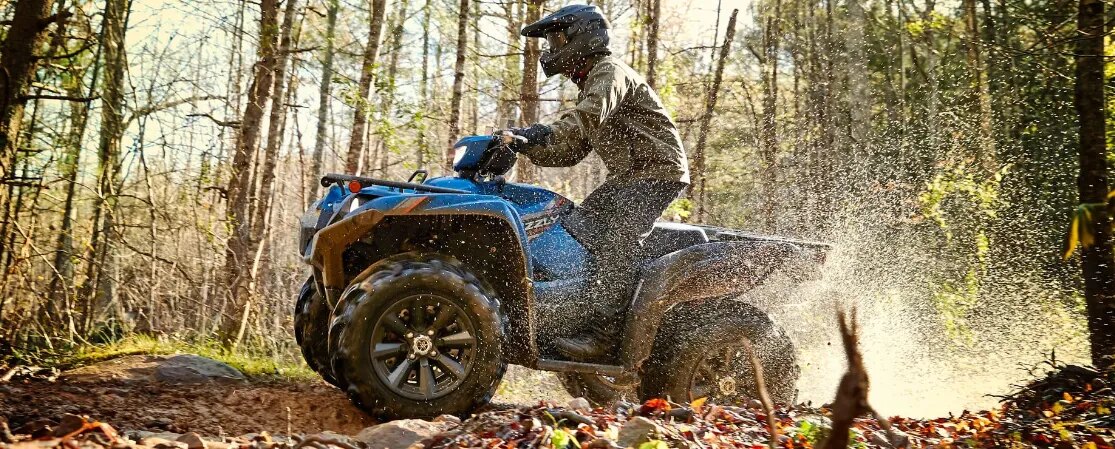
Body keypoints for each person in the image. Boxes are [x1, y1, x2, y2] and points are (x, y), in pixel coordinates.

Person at [501, 4, 690, 362]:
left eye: (558, 38)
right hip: (629, 177)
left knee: (620, 238)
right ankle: (578, 314)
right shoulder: (591, 82)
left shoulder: (609, 72)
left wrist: (537, 132)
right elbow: (571, 151)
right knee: (576, 229)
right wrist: (525, 147)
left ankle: (605, 336)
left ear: (582, 36)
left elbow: (586, 117)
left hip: (658, 171)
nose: (552, 48)